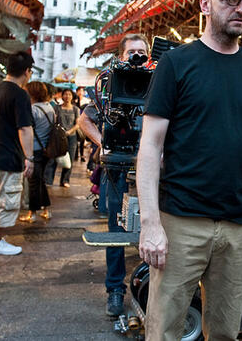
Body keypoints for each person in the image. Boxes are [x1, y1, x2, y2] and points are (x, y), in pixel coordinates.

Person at [138, 0, 242, 340]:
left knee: (225, 332)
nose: (240, 8)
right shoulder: (176, 64)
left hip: (238, 225)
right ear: (205, 4)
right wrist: (151, 223)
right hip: (180, 221)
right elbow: (150, 146)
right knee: (164, 330)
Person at [78, 33, 151, 317]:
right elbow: (85, 120)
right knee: (116, 229)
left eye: (141, 51)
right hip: (116, 166)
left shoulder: (158, 83)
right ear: (121, 56)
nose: (136, 56)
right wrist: (104, 144)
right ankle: (115, 290)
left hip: (150, 166)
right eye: (131, 51)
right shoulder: (109, 85)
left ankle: (152, 286)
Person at [0, 51, 35, 255]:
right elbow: (25, 129)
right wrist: (29, 157)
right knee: (3, 199)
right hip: (6, 155)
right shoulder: (19, 94)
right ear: (27, 71)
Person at [19, 81, 53, 222]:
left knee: (33, 183)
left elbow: (28, 130)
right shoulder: (49, 107)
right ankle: (46, 210)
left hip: (34, 151)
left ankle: (32, 214)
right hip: (46, 150)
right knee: (40, 181)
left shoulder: (32, 110)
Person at [57, 89, 81, 187]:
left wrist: (69, 132)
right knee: (53, 158)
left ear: (72, 96)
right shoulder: (57, 108)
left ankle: (65, 180)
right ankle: (48, 180)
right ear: (62, 96)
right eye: (65, 94)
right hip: (59, 136)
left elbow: (78, 124)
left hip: (72, 137)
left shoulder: (76, 109)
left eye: (69, 94)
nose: (67, 96)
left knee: (70, 158)